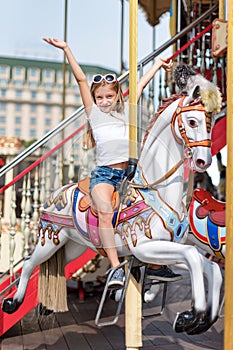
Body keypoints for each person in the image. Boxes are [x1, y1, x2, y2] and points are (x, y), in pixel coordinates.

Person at [43, 37, 181, 288]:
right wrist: (66, 49)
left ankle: (155, 264)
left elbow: (138, 87)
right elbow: (82, 80)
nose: (104, 101)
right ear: (94, 100)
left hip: (130, 174)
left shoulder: (126, 112)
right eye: (100, 97)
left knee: (156, 209)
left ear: (117, 96)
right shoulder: (94, 115)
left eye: (108, 96)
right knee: (106, 213)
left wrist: (158, 64)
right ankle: (116, 267)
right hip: (105, 176)